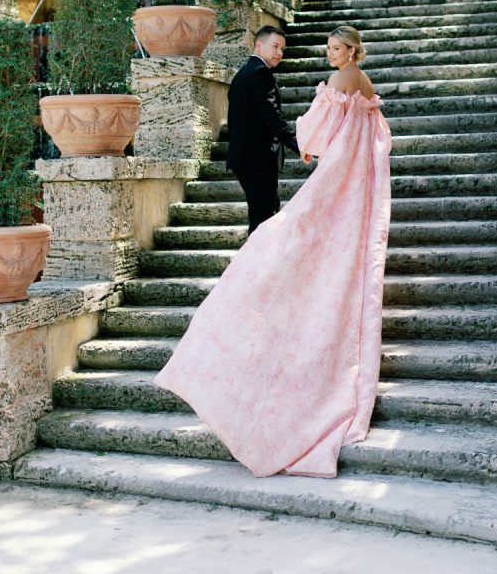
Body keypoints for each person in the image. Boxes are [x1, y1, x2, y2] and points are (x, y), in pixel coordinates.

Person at [154, 25, 392, 479]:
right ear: (259, 45)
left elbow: (315, 127)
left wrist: (305, 142)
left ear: (352, 51)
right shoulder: (364, 82)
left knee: (273, 235)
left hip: (331, 170)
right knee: (282, 230)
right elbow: (377, 132)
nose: (330, 54)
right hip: (357, 176)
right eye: (328, 48)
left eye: (337, 48)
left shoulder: (338, 80)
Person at [226, 25, 304, 235]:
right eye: (275, 46)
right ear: (259, 45)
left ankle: (259, 256)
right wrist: (297, 144)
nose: (279, 52)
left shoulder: (243, 73)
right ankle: (253, 257)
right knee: (263, 217)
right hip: (257, 158)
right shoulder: (260, 72)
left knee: (264, 214)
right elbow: (271, 114)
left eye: (282, 49)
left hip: (245, 156)